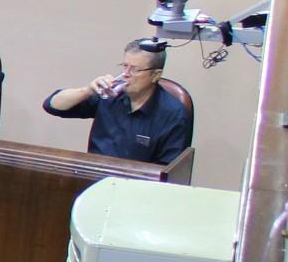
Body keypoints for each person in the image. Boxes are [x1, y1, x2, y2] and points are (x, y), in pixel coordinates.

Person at [41, 38, 191, 166]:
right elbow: (53, 106)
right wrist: (87, 91)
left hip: (137, 188)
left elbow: (168, 170)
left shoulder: (173, 113)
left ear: (155, 75)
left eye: (135, 70)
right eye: (125, 66)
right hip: (95, 177)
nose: (125, 75)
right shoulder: (111, 94)